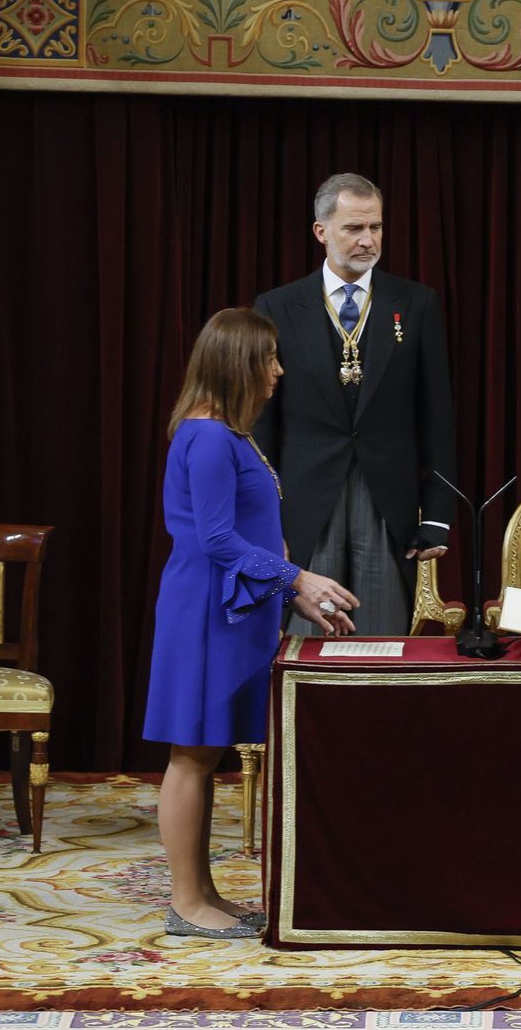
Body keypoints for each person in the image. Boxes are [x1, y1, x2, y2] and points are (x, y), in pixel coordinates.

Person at [144, 308, 358, 939]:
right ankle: (185, 902)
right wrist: (299, 579)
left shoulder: (228, 434)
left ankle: (203, 891)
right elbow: (214, 539)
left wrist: (295, 599)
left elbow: (248, 536)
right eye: (268, 359)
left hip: (232, 609)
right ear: (238, 363)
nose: (278, 371)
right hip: (206, 614)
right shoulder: (208, 437)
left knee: (206, 753)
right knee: (191, 753)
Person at [253, 173, 457, 637]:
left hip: (388, 501)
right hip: (305, 503)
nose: (369, 240)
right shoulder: (278, 306)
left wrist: (439, 514)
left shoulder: (417, 303)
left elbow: (437, 417)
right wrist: (265, 518)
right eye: (354, 229)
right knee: (309, 642)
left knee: (381, 643)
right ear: (321, 231)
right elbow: (262, 425)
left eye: (377, 227)